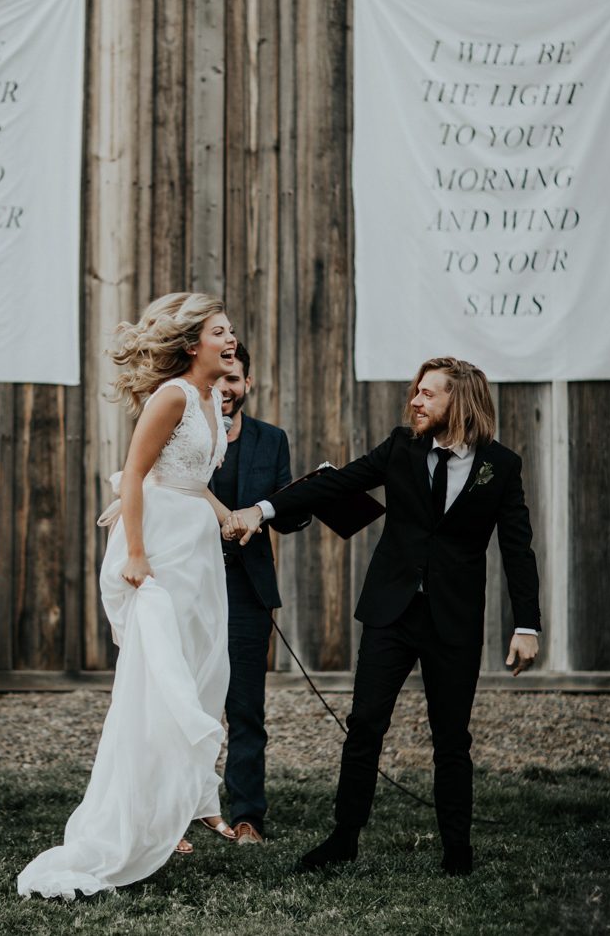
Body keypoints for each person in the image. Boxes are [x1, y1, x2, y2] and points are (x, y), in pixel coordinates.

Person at [223, 357, 541, 876]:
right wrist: (262, 511)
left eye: (427, 394)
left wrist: (527, 624)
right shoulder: (401, 447)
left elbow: (518, 548)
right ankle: (344, 838)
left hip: (453, 620)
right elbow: (333, 485)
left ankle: (457, 852)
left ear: (458, 403)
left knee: (452, 736)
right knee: (365, 725)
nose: (415, 401)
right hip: (390, 613)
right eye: (416, 392)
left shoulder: (500, 466)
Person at [18, 292, 241, 900]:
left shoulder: (211, 401)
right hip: (159, 553)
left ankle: (166, 814)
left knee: (196, 679)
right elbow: (137, 473)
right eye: (220, 331)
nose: (231, 340)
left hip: (197, 551)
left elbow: (189, 481)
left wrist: (227, 516)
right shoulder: (172, 395)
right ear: (193, 343)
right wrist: (136, 554)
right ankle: (123, 828)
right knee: (156, 687)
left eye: (231, 332)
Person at [211, 343, 310, 845]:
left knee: (246, 706)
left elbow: (289, 512)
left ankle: (248, 814)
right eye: (218, 378)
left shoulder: (272, 439)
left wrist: (301, 501)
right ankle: (181, 812)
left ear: (247, 384)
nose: (225, 389)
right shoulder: (178, 431)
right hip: (187, 582)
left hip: (246, 590)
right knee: (183, 702)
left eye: (234, 380)